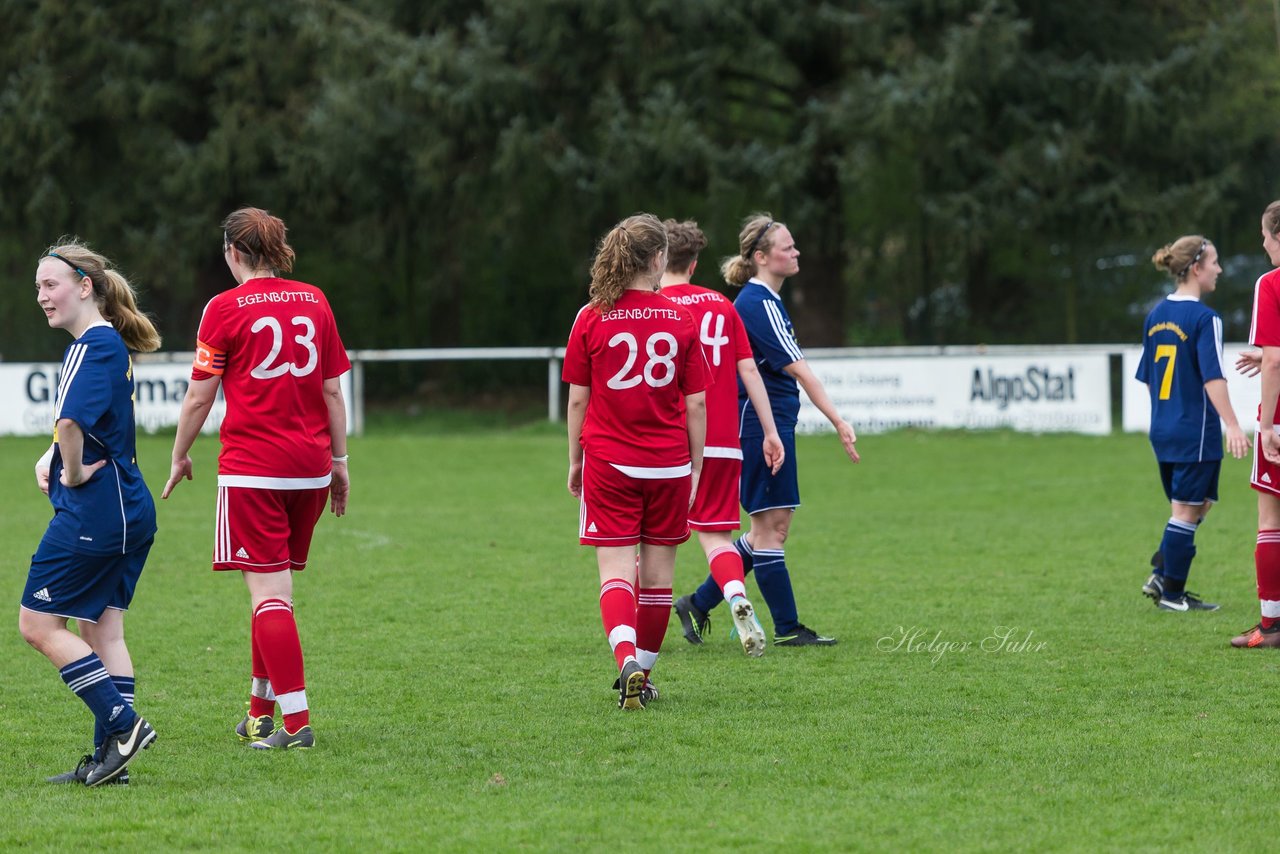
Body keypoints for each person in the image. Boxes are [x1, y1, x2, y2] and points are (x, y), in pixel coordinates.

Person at [162, 207, 350, 747]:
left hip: (253, 472)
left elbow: (201, 395)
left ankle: (296, 724)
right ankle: (259, 714)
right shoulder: (315, 300)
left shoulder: (223, 308)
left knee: (268, 594)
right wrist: (339, 465)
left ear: (233, 252)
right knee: (273, 593)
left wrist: (179, 455)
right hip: (310, 470)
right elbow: (332, 391)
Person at [674, 212, 858, 647]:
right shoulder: (757, 305)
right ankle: (788, 628)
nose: (795, 252)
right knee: (771, 528)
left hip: (765, 424)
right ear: (760, 257)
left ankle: (698, 604)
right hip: (759, 426)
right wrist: (838, 420)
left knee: (768, 529)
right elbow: (803, 373)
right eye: (786, 246)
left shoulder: (764, 302)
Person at [21, 239, 161, 787]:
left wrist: (71, 470)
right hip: (127, 508)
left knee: (36, 624)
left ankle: (123, 726)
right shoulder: (106, 344)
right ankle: (113, 762)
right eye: (37, 287)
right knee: (103, 631)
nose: (42, 296)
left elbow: (73, 425)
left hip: (96, 513)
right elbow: (83, 424)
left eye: (50, 285)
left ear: (85, 286)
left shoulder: (91, 347)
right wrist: (53, 454)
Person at [563, 213, 708, 709]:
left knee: (616, 575)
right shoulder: (680, 317)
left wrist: (574, 460)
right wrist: (695, 467)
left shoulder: (591, 316)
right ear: (658, 258)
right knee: (658, 580)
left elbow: (578, 402)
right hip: (667, 465)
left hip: (610, 462)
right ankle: (643, 674)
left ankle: (626, 659)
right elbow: (696, 404)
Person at [658, 219, 784, 657]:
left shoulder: (653, 308)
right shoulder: (721, 306)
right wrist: (770, 432)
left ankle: (635, 632)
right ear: (694, 263)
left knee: (644, 538)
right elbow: (749, 371)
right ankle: (735, 595)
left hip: (670, 445)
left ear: (657, 260)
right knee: (717, 537)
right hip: (724, 443)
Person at [1135, 235, 1248, 612]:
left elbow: (1149, 379)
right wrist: (1232, 424)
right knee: (1186, 510)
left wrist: (1166, 419)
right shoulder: (1204, 318)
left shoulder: (1155, 315)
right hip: (1194, 432)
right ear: (1196, 268)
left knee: (1199, 503)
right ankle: (1171, 595)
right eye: (1214, 262)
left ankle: (1162, 573)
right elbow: (1212, 377)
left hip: (1164, 429)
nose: (1219, 269)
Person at [1232, 200, 1280, 646]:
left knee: (1270, 519)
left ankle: (1270, 625)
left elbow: (1275, 364)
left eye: (1266, 235)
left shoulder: (1271, 283)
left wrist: (1266, 428)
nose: (1262, 243)